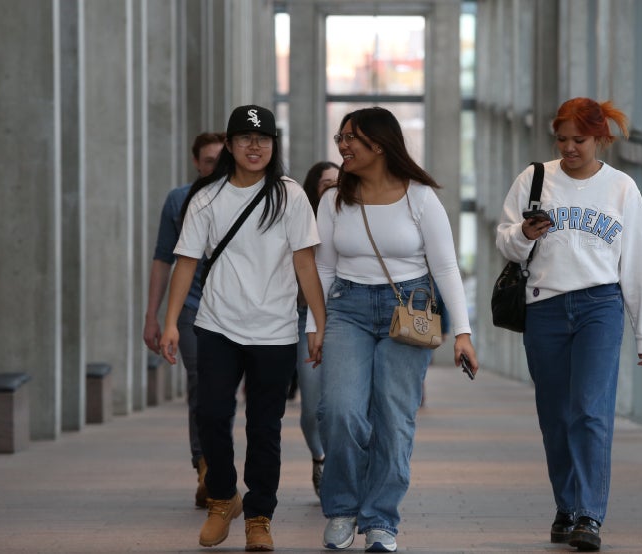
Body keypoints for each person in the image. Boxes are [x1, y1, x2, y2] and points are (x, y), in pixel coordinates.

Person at [159, 104, 325, 552]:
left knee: (264, 428)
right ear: (230, 145)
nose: (255, 147)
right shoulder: (207, 197)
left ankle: (258, 517)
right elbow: (185, 262)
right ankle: (222, 498)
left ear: (274, 145)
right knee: (212, 414)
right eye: (246, 139)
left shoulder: (290, 196)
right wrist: (170, 322)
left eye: (263, 139)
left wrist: (317, 322)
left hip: (275, 331)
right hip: (217, 325)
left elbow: (305, 263)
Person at [312, 107, 478, 552]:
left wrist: (462, 333)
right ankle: (343, 508)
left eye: (352, 138)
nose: (343, 145)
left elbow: (446, 267)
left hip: (409, 309)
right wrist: (315, 325)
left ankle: (381, 519)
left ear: (380, 145)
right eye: (340, 137)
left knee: (393, 417)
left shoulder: (419, 197)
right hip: (346, 308)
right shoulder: (334, 200)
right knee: (340, 411)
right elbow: (323, 268)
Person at [495, 97, 642, 551]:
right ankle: (565, 507)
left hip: (599, 307)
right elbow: (504, 242)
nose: (569, 148)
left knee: (589, 410)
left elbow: (636, 263)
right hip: (544, 307)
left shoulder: (622, 188)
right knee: (555, 417)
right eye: (562, 139)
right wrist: (524, 234)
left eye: (579, 139)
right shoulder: (534, 179)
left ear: (600, 137)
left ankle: (589, 514)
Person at [142, 131, 225, 508]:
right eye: (209, 161)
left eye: (221, 160)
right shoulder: (178, 200)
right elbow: (164, 259)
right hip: (192, 305)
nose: (215, 167)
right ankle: (205, 465)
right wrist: (154, 317)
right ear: (196, 163)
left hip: (233, 306)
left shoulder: (245, 196)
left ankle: (218, 461)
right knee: (201, 380)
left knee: (224, 388)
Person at [295, 161, 339, 498]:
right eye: (326, 183)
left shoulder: (351, 217)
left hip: (346, 318)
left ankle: (339, 467)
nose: (333, 187)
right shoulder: (299, 223)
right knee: (311, 405)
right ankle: (319, 456)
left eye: (339, 181)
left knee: (342, 403)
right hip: (304, 318)